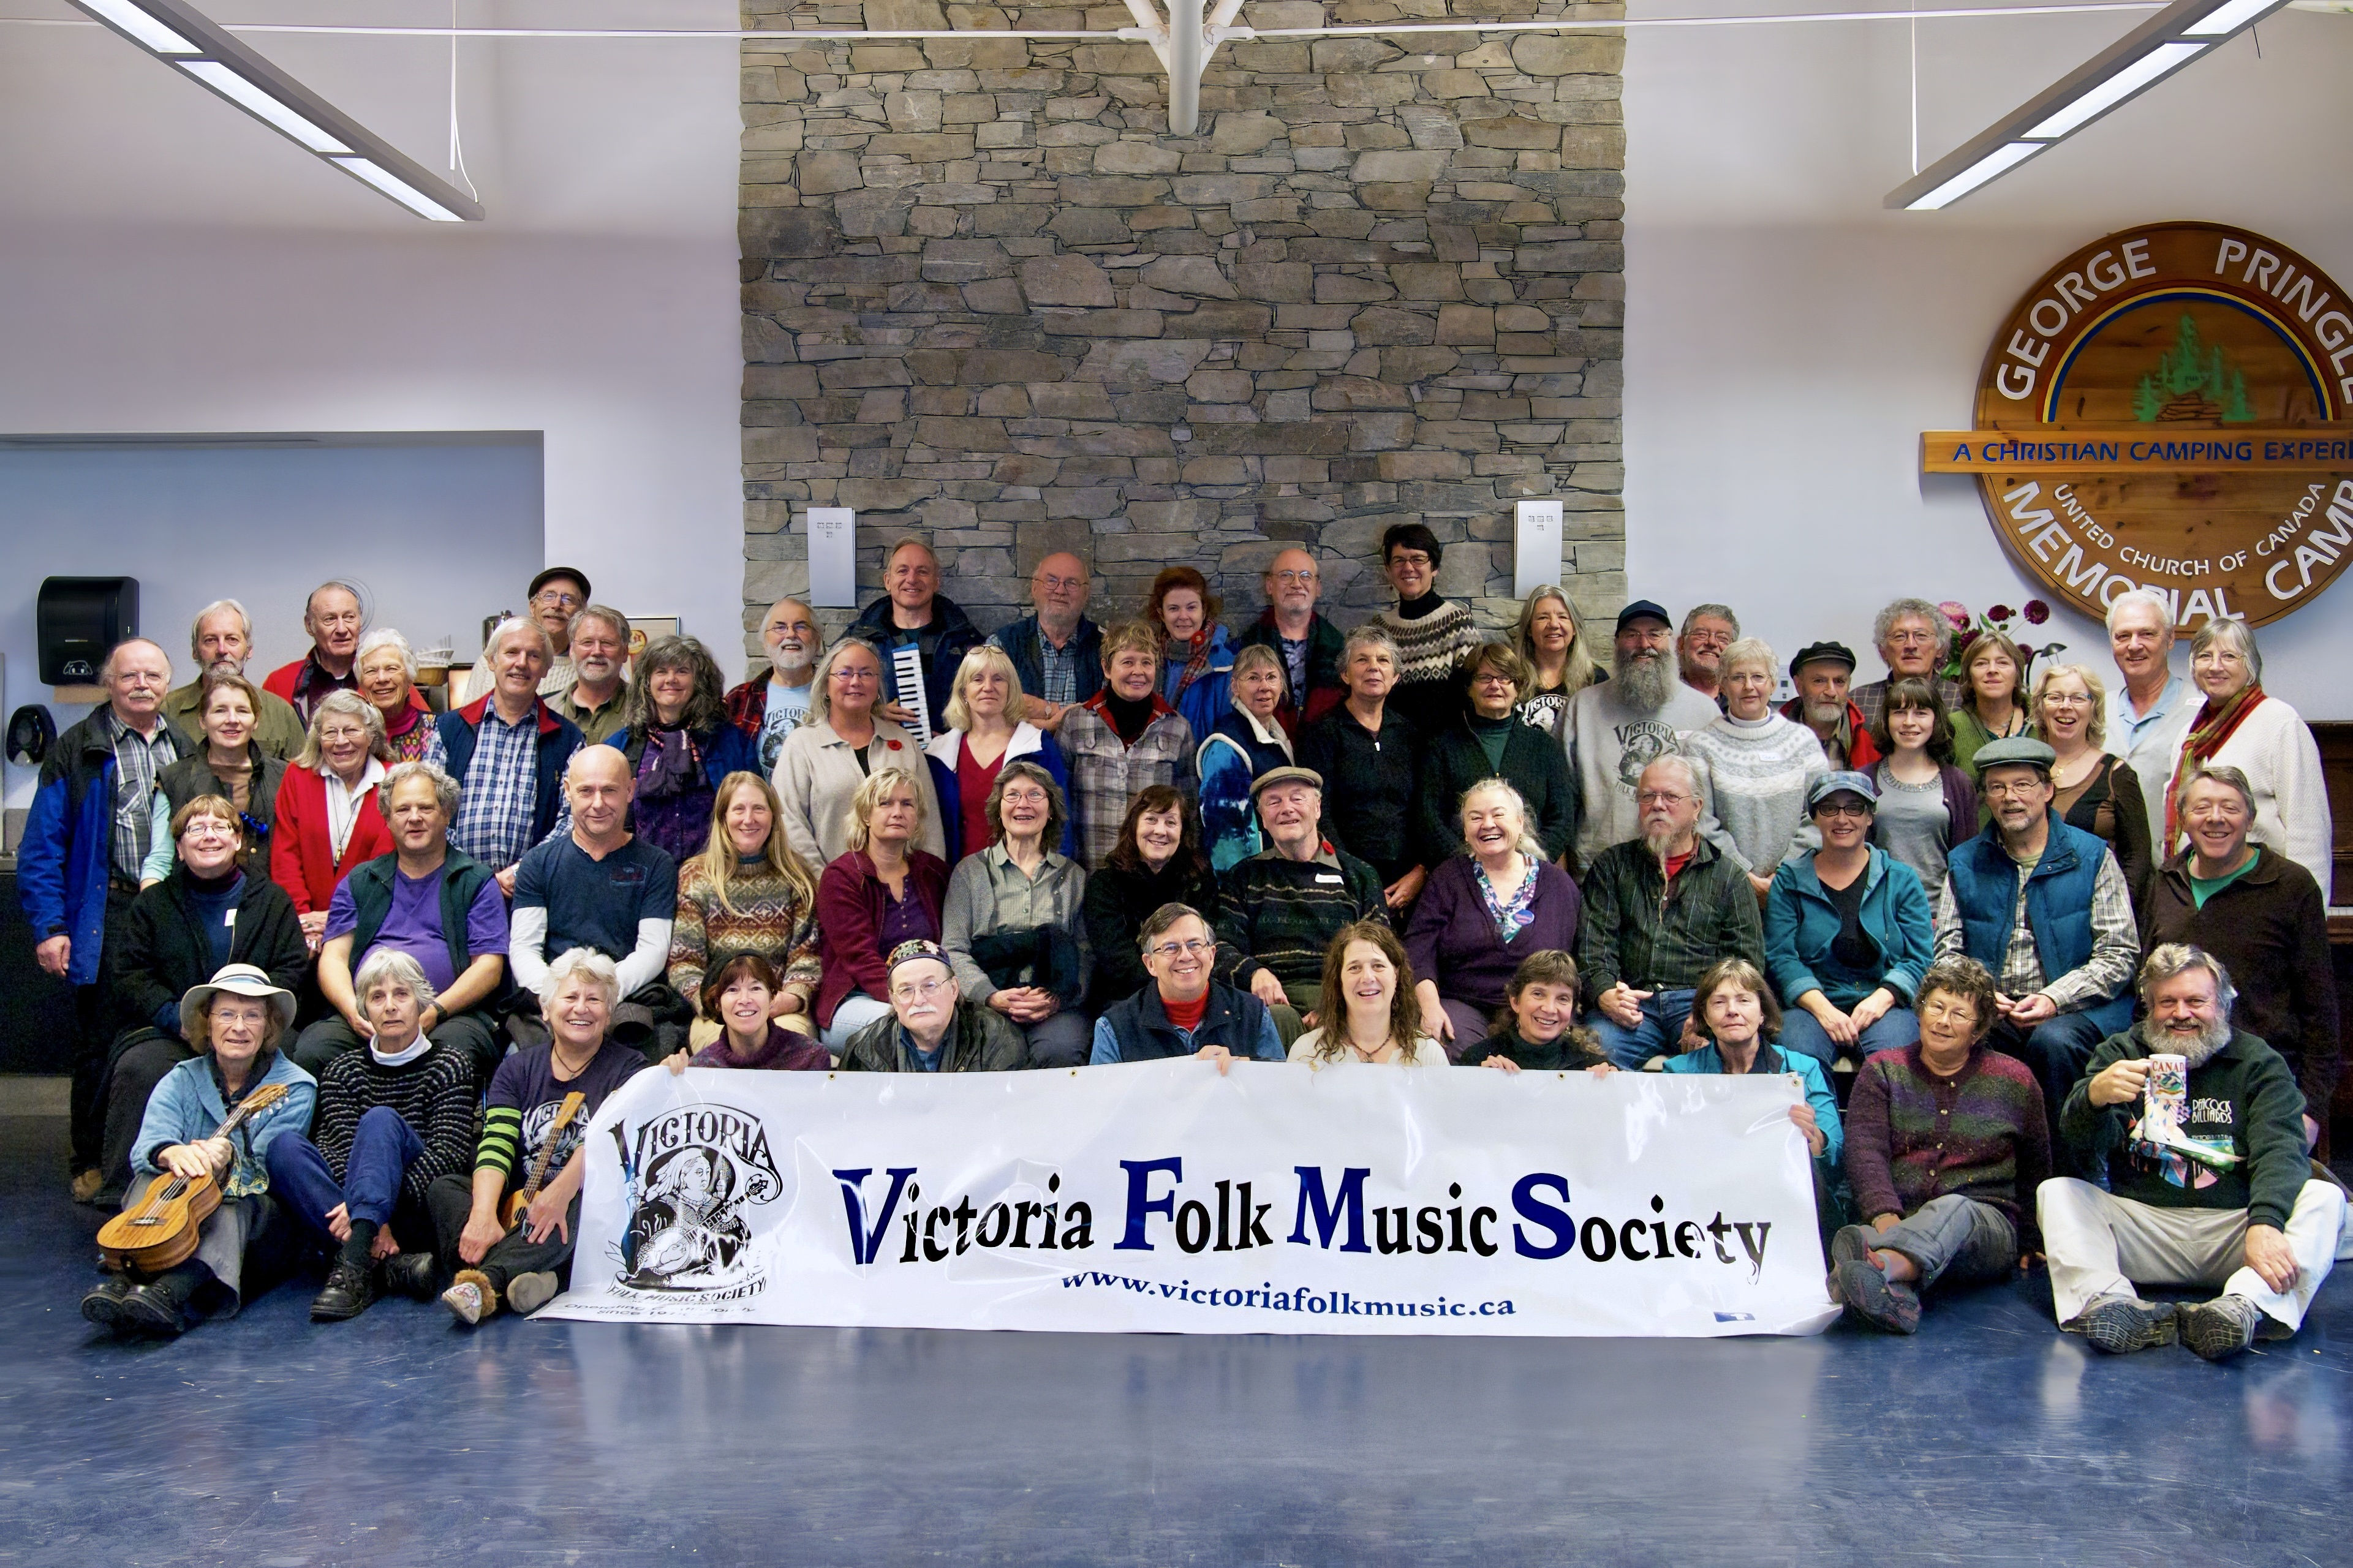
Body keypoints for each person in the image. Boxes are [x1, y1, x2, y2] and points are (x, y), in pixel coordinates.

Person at [2041, 944, 2344, 1360]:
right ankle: (2110, 1304)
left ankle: (2244, 1306)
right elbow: (2082, 1146)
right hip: (2147, 1229)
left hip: (2237, 1233)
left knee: (2324, 1198)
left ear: (2221, 1006)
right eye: (2167, 1002)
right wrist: (2092, 1098)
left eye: (2195, 1001)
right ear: (2149, 1007)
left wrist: (2266, 1222)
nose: (2181, 1013)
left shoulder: (2258, 1061)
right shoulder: (2120, 1054)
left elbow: (2281, 1150)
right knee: (2057, 1192)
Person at [23, 637, 184, 1199]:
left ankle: (156, 1155)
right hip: (107, 910)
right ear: (109, 683)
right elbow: (42, 847)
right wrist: (51, 927)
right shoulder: (77, 749)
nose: (142, 685)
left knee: (172, 1032)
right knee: (100, 1041)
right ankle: (89, 1159)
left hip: (171, 910)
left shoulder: (184, 745)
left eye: (152, 675)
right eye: (129, 675)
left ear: (167, 683)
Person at [81, 965, 315, 1338]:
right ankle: (125, 1279)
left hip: (258, 1226)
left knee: (227, 1206)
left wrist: (227, 1165)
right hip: (179, 1216)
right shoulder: (181, 1078)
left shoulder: (296, 1087)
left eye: (252, 1016)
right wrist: (170, 1154)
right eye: (227, 1014)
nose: (239, 1027)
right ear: (207, 1023)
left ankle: (171, 1292)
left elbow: (270, 1170)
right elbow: (147, 1146)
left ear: (269, 1026)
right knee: (150, 1180)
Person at [1933, 737, 2137, 1152]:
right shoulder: (1964, 861)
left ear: (2047, 790)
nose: (2010, 797)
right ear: (1986, 798)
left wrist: (2053, 998)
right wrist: (1980, 994)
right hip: (1995, 1006)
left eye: (2022, 785)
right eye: (1997, 787)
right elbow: (1947, 953)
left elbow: (2119, 953)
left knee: (2053, 1042)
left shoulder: (2092, 856)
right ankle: (1980, 1167)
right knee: (1960, 1033)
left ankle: (2067, 1165)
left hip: (2077, 1009)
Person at [1828, 956, 2049, 1335]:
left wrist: (2033, 1239)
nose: (1943, 1021)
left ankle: (1879, 1261)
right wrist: (1886, 1217)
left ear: (1979, 1030)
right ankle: (1892, 1295)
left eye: (1959, 1014)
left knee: (1953, 1208)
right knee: (1921, 1227)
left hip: (1985, 1227)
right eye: (1936, 1007)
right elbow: (1866, 1153)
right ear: (1920, 1011)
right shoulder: (1882, 1070)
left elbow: (2036, 1166)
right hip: (1902, 1215)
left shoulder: (2016, 1080)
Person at [430, 948, 651, 1325]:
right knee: (444, 1189)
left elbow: (609, 1144)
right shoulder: (517, 1069)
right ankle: (541, 1276)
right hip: (519, 1204)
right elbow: (497, 1143)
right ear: (546, 1009)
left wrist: (561, 1192)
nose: (581, 1008)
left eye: (594, 1000)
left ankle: (486, 1283)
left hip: (580, 1198)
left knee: (588, 1204)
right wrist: (483, 1215)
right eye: (570, 997)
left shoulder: (630, 1068)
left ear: (609, 1013)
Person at [99, 796, 308, 1196]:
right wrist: (177, 1017)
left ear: (238, 840)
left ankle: (273, 1191)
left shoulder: (273, 902)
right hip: (174, 1030)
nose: (209, 835)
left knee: (298, 1058)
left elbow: (291, 967)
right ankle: (128, 1195)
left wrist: (254, 1018)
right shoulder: (152, 905)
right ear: (179, 847)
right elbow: (131, 974)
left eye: (221, 827)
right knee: (139, 1067)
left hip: (252, 1031)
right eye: (196, 828)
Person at [263, 950, 477, 1321]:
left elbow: (449, 1154)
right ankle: (386, 1266)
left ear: (421, 1001)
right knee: (284, 1148)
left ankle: (353, 1267)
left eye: (401, 994)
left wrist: (373, 1205)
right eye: (377, 997)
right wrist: (366, 1209)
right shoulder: (343, 1070)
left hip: (413, 1210)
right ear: (364, 1009)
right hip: (359, 1212)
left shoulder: (450, 1063)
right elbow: (335, 1150)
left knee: (381, 1120)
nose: (390, 1006)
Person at [2144, 765, 2338, 1128]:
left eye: (2230, 808)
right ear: (2183, 819)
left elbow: (2320, 1009)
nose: (2215, 818)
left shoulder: (2292, 886)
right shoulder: (2165, 880)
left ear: (2250, 820)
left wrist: (2311, 1109)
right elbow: (2146, 992)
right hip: (2177, 1079)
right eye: (2202, 807)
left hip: (2264, 1081)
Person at [295, 761, 508, 1082]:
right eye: (403, 809)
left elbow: (489, 967)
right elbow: (334, 958)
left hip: (449, 1016)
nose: (414, 818)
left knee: (454, 1054)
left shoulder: (475, 881)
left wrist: (434, 1012)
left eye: (426, 808)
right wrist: (353, 1011)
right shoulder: (360, 881)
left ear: (446, 814)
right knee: (315, 1048)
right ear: (388, 819)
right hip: (368, 1016)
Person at [1577, 755, 1765, 1068]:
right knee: (1594, 1051)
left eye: (1671, 796)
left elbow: (1746, 962)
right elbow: (1593, 944)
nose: (1658, 805)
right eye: (1648, 796)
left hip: (1700, 1004)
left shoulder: (1729, 877)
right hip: (1631, 1002)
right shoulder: (1612, 866)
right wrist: (1605, 992)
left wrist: (1710, 1012)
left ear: (1697, 807)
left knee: (1726, 1052)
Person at [510, 746, 682, 1061]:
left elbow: (653, 950)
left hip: (628, 1003)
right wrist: (560, 997)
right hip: (551, 1007)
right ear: (568, 792)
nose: (598, 803)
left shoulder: (657, 865)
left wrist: (601, 995)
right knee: (517, 1064)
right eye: (586, 791)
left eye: (610, 790)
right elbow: (524, 949)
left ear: (630, 790)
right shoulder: (537, 863)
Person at [1765, 774, 1933, 1071]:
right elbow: (1781, 956)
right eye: (1829, 808)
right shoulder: (1789, 881)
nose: (1842, 819)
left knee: (1896, 1064)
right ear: (1815, 817)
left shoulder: (1902, 879)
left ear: (1870, 817)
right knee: (1797, 1061)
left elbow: (1919, 957)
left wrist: (1881, 1000)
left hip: (1885, 1004)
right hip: (1810, 1007)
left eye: (1854, 808)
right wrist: (1823, 1009)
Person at [1405, 779, 1581, 1058]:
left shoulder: (1558, 885)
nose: (1488, 825)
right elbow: (1418, 949)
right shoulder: (1447, 879)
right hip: (1463, 1005)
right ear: (1465, 831)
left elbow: (1580, 955)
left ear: (1520, 823)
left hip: (1538, 1009)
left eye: (1498, 814)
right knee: (1450, 1047)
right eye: (1476, 818)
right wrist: (1428, 1005)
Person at [1213, 767, 1388, 1043]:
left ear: (1317, 808)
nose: (1287, 809)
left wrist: (1337, 1006)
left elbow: (1382, 951)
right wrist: (1254, 973)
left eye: (1297, 799)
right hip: (1272, 999)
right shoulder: (1243, 877)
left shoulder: (1359, 875)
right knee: (1276, 1019)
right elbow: (1220, 947)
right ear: (1262, 818)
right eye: (1274, 802)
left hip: (1344, 994)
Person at [2161, 617, 2331, 892]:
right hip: (2195, 890)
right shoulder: (2188, 736)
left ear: (2250, 665)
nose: (2215, 666)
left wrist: (2309, 906)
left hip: (2263, 891)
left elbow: (2308, 830)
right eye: (2205, 656)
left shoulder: (2280, 722)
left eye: (2229, 656)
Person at [940, 762, 1092, 1068]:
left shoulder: (1074, 877)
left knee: (1061, 1049)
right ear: (999, 810)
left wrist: (1055, 1000)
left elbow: (1086, 951)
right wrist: (990, 996)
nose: (1023, 804)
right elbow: (953, 949)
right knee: (993, 1050)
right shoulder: (969, 873)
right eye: (1012, 795)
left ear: (1051, 811)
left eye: (1035, 795)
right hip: (986, 1002)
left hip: (1056, 1004)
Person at [425, 616, 584, 897]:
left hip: (532, 892)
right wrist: (472, 875)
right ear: (492, 660)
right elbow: (428, 807)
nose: (521, 663)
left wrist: (522, 872)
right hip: (456, 888)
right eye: (511, 652)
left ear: (546, 668)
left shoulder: (568, 739)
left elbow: (572, 817)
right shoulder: (449, 729)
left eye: (533, 656)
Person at [564, 635, 756, 864]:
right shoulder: (619, 746)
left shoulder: (730, 742)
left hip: (715, 871)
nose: (671, 679)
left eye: (682, 671)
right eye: (661, 672)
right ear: (647, 682)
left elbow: (753, 808)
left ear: (700, 682)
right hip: (638, 873)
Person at [1563, 601, 1720, 867]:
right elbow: (1563, 800)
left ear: (1671, 642)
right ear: (1616, 643)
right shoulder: (1582, 708)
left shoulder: (1705, 711)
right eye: (1632, 634)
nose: (1644, 643)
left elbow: (1717, 804)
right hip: (1600, 870)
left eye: (1655, 634)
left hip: (1685, 870)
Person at [668, 772, 821, 1040]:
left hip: (780, 1010)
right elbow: (684, 962)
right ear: (723, 818)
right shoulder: (696, 876)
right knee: (725, 1049)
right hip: (719, 1013)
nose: (749, 819)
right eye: (739, 809)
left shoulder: (797, 877)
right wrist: (718, 1002)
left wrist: (792, 998)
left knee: (787, 1050)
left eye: (759, 809)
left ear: (773, 817)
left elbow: (807, 957)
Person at [1664, 957, 1841, 1182]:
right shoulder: (1679, 1073)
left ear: (1762, 1013)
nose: (1732, 1010)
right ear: (1706, 1017)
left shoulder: (1803, 1069)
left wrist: (1813, 1135)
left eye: (1744, 1000)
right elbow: (1668, 1152)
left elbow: (1836, 1158)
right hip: (1706, 1186)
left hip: (1782, 1187)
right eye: (1719, 1002)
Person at [772, 638, 946, 867]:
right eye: (845, 673)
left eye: (866, 673)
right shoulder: (801, 745)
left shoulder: (904, 743)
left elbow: (929, 821)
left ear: (878, 687)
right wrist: (822, 881)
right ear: (826, 685)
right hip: (825, 883)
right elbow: (788, 822)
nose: (856, 681)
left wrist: (930, 878)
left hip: (902, 885)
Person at [814, 768, 951, 1054]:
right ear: (866, 815)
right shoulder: (841, 877)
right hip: (855, 1000)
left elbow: (950, 946)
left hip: (926, 997)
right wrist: (909, 1002)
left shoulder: (933, 872)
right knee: (913, 1027)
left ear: (917, 817)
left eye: (907, 804)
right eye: (885, 803)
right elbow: (861, 959)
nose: (897, 812)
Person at [1680, 638, 1829, 898]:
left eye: (1758, 677)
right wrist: (1744, 877)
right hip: (1723, 890)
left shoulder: (1803, 742)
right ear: (1723, 685)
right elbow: (1700, 822)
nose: (1749, 686)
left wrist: (1783, 874)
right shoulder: (1700, 746)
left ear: (1773, 684)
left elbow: (1820, 815)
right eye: (1738, 677)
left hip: (1795, 888)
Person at [1297, 625, 1424, 910]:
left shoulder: (1411, 736)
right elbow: (1318, 812)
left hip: (1408, 881)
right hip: (1343, 877)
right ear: (1345, 674)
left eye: (1383, 660)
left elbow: (1423, 810)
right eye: (1362, 660)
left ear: (1396, 677)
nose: (1373, 668)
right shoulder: (1323, 734)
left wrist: (1420, 872)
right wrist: (1357, 878)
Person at [1418, 641, 1577, 866]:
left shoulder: (1544, 747)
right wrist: (1466, 866)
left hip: (1532, 872)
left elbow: (1562, 817)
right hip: (1463, 874)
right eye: (1484, 678)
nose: (1495, 685)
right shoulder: (1442, 748)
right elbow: (1429, 818)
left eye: (1505, 678)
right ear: (1469, 688)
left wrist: (1529, 865)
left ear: (1517, 687)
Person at [1060, 621, 1198, 870]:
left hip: (1153, 876)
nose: (1138, 671)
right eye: (1128, 662)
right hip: (1089, 871)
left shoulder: (1177, 728)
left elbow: (1189, 810)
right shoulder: (1076, 722)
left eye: (1147, 662)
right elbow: (1058, 800)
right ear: (1106, 668)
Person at [271, 691, 395, 953]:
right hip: (302, 928)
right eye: (330, 732)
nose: (340, 741)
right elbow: (285, 858)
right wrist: (303, 922)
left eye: (351, 730)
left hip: (371, 928)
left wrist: (339, 920)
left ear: (371, 735)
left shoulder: (394, 782)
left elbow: (387, 868)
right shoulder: (297, 777)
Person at [926, 643, 1072, 865]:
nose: (988, 687)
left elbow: (1061, 824)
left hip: (1025, 878)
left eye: (998, 679)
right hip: (958, 878)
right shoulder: (939, 754)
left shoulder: (1038, 746)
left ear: (1010, 690)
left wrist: (1055, 875)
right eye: (977, 679)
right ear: (964, 692)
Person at [1081, 786, 1220, 1013]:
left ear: (1183, 832)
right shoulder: (1104, 884)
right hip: (1127, 997)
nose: (1160, 831)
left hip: (1193, 989)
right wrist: (1167, 991)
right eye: (1151, 820)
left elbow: (1207, 944)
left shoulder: (1200, 878)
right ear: (1134, 826)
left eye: (1171, 823)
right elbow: (1116, 960)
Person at [1091, 903, 1283, 1065]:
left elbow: (1278, 1093)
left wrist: (1243, 1070)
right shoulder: (1114, 1029)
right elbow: (1104, 1098)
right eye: (1170, 948)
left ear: (1212, 956)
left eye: (1194, 945)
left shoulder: (1254, 1014)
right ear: (1150, 964)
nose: (1185, 956)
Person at [142, 671, 287, 885]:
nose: (232, 720)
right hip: (192, 901)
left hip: (267, 900)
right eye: (220, 710)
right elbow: (160, 861)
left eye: (242, 711)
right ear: (203, 720)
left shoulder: (285, 777)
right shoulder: (174, 779)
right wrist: (150, 902)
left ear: (256, 720)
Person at [2034, 662, 2153, 919]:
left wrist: (2116, 912)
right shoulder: (2026, 769)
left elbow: (2138, 858)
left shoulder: (2117, 774)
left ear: (2094, 708)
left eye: (2078, 698)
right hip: (2032, 912)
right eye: (2055, 697)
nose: (2066, 706)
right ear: (2041, 707)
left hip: (2098, 915)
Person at [847, 536, 985, 738]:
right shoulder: (857, 640)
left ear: (936, 582)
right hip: (877, 749)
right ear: (888, 581)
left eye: (922, 571)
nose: (912, 579)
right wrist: (872, 713)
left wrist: (956, 739)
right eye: (903, 571)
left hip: (951, 753)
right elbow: (831, 696)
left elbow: (991, 702)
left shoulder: (967, 640)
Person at [1864, 679, 1977, 905]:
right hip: (1878, 913)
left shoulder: (1958, 783)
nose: (1909, 722)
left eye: (1921, 713)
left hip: (1939, 914)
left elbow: (1969, 862)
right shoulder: (1864, 780)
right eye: (1899, 712)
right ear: (1886, 719)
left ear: (1936, 719)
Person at [839, 938, 1027, 1072]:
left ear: (954, 989)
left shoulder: (997, 1039)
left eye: (930, 986)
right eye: (906, 990)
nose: (919, 1000)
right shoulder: (864, 1049)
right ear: (893, 1000)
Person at [1371, 522, 1481, 739]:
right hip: (1390, 748)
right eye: (1399, 560)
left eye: (1418, 559)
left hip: (1444, 749)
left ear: (1435, 567)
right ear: (1388, 570)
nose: (1408, 568)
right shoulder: (1379, 630)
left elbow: (1475, 696)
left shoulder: (1457, 623)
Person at [161, 599, 306, 760]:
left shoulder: (280, 713)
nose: (222, 650)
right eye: (211, 640)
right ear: (195, 651)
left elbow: (301, 774)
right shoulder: (167, 710)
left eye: (232, 639)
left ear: (249, 650)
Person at [1196, 644, 1296, 872]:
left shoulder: (1278, 738)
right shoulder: (1225, 747)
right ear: (1235, 686)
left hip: (1280, 872)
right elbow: (1226, 838)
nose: (1264, 687)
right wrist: (1243, 887)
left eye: (1271, 677)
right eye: (1253, 678)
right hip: (1251, 880)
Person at [1290, 922, 1448, 1066]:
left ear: (1396, 976)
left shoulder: (1428, 1055)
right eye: (1354, 968)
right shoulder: (1307, 1053)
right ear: (1339, 980)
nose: (1367, 977)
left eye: (1378, 966)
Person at [2103, 587, 2195, 835]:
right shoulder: (2095, 711)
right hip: (2106, 859)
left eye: (2147, 634)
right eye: (2123, 636)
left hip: (2177, 858)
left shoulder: (2201, 712)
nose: (2134, 645)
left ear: (2170, 639)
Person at [1234, 548, 1345, 736]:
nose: (1296, 584)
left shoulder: (1339, 647)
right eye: (1286, 575)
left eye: (1306, 576)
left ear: (1318, 588)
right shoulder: (1245, 645)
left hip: (1326, 745)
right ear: (1270, 585)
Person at [989, 552, 1103, 733]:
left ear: (1086, 594)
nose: (1060, 590)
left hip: (1085, 751)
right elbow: (983, 714)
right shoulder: (1002, 645)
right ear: (1034, 588)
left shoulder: (1107, 647)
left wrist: (1046, 709)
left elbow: (1115, 714)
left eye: (1071, 583)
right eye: (1051, 581)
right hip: (1019, 751)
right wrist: (1051, 724)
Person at [453, 567, 592, 705]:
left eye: (568, 599)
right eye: (548, 596)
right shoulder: (489, 662)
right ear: (532, 607)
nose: (557, 605)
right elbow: (467, 715)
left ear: (580, 612)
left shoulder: (587, 671)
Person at [1459, 950, 1614, 1074]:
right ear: (1516, 1002)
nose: (1549, 1009)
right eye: (1538, 994)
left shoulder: (1591, 1064)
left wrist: (1611, 1089)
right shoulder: (1479, 1059)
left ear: (1572, 1009)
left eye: (1563, 999)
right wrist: (1482, 1084)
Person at [685, 952, 829, 1070]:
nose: (745, 1000)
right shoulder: (702, 1067)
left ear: (772, 998)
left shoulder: (810, 1058)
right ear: (718, 1004)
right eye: (732, 990)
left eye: (755, 988)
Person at [726, 597, 821, 769]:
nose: (791, 634)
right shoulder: (739, 699)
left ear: (817, 640)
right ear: (765, 642)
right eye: (780, 627)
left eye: (801, 626)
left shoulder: (836, 694)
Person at [1147, 565, 1237, 743]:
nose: (1183, 616)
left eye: (1191, 608)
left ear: (1204, 611)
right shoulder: (1147, 658)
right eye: (1174, 608)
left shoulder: (1226, 666)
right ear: (1162, 614)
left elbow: (1230, 733)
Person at [1851, 598, 1966, 733]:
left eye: (1921, 635)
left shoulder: (1962, 699)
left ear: (1940, 648)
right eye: (1899, 637)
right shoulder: (1858, 701)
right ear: (1883, 651)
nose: (1911, 645)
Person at [263, 580, 368, 724]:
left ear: (360, 622)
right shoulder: (280, 683)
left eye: (349, 617)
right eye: (330, 619)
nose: (342, 629)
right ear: (309, 625)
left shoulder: (383, 678)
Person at [1779, 641, 1881, 773]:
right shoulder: (1773, 737)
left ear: (1848, 685)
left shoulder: (1870, 743)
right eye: (1819, 681)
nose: (1831, 692)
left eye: (1839, 681)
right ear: (1799, 685)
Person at [1950, 628, 2034, 778]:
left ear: (2017, 677)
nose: (1992, 670)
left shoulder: (2040, 723)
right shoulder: (1951, 727)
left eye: (2002, 663)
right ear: (1969, 678)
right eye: (1982, 664)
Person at [550, 604, 631, 746]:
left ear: (625, 652)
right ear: (572, 651)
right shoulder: (546, 711)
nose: (597, 651)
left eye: (607, 643)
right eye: (587, 642)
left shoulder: (648, 708)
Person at [354, 629, 436, 763]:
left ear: (409, 678)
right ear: (361, 683)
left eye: (392, 669)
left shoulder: (437, 729)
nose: (382, 678)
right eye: (371, 671)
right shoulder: (350, 734)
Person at [1676, 603, 1739, 706]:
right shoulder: (1662, 697)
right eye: (1701, 634)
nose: (1712, 642)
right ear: (1681, 645)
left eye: (1722, 638)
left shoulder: (1742, 702)